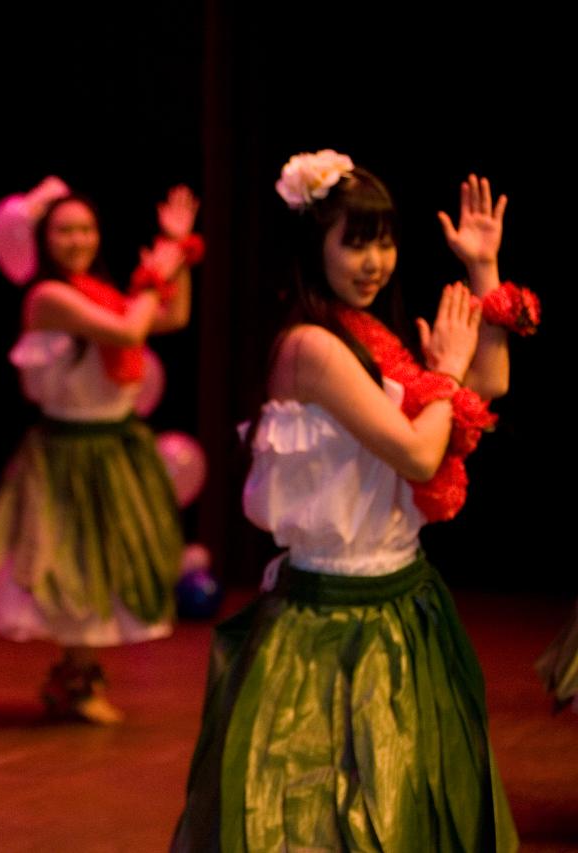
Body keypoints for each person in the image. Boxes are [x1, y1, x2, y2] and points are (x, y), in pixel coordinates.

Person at [173, 151, 534, 850]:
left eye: (385, 241)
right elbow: (421, 452)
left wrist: (482, 272)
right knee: (322, 818)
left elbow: (490, 387)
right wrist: (447, 373)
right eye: (356, 241)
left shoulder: (377, 342)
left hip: (401, 606)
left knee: (400, 810)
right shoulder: (312, 347)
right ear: (317, 247)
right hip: (328, 624)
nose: (376, 261)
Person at [0, 184, 203, 724]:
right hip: (68, 453)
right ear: (44, 240)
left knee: (103, 567)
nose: (77, 238)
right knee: (74, 566)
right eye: (64, 230)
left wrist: (178, 256)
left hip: (113, 445)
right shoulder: (48, 298)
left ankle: (75, 680)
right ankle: (77, 681)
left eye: (85, 228)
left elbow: (171, 319)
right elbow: (132, 327)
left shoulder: (102, 289)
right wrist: (159, 270)